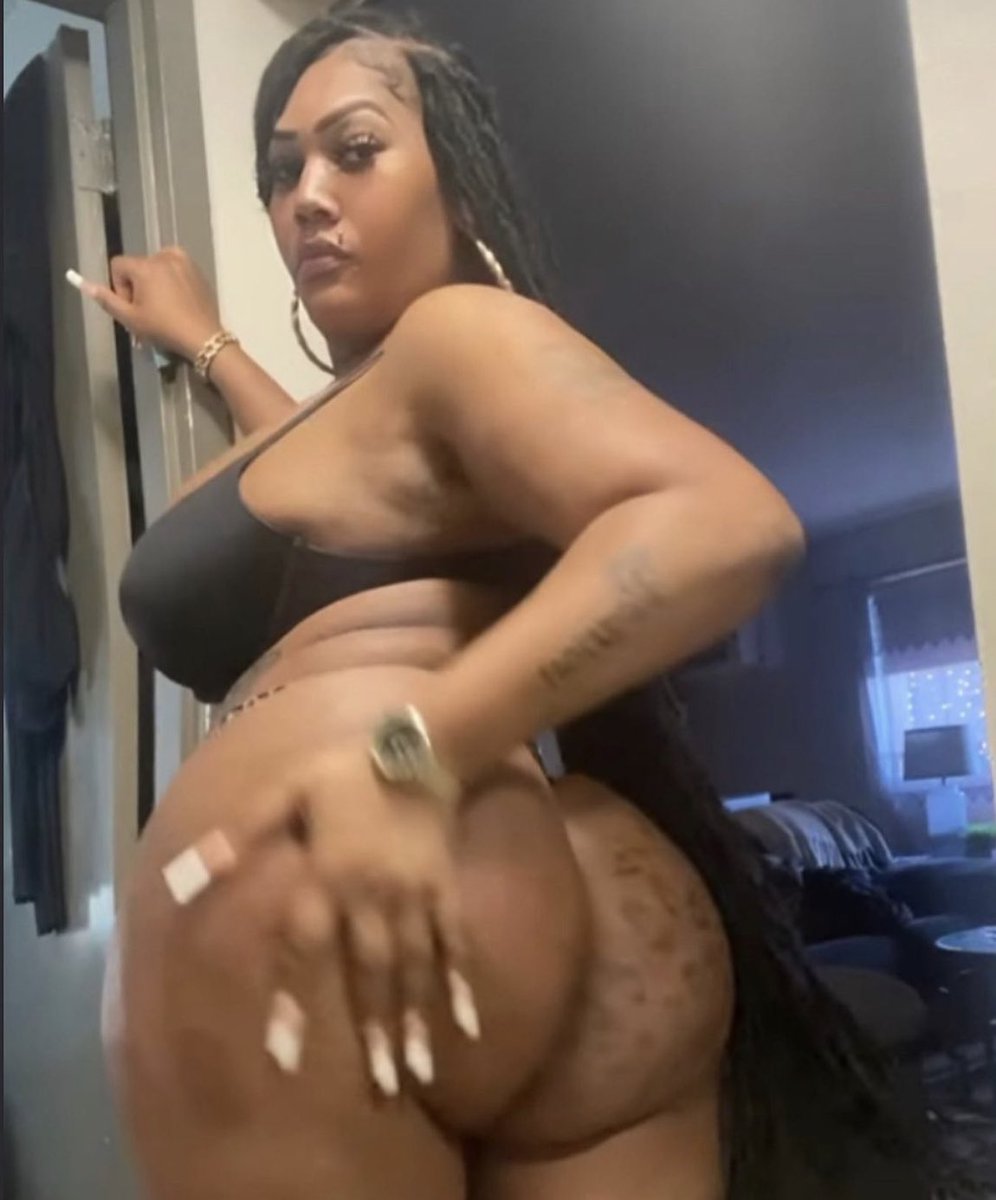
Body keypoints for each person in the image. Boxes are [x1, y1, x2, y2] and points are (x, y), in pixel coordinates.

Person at [88, 5, 923, 1198]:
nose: (307, 197)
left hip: (363, 905)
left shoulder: (456, 330)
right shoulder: (389, 410)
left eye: (354, 150)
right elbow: (300, 498)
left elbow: (725, 522)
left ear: (461, 184)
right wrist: (207, 342)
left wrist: (409, 758)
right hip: (592, 902)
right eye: (282, 172)